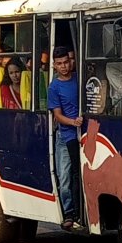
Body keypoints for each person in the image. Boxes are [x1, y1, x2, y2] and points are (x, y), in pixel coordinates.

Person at [48, 46, 82, 230]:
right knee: (65, 177)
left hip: (82, 134)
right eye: (59, 63)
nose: (63, 66)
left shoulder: (79, 79)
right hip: (66, 136)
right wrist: (73, 122)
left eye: (66, 62)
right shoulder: (54, 87)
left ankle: (79, 212)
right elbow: (57, 115)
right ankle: (69, 214)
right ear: (54, 65)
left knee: (80, 175)